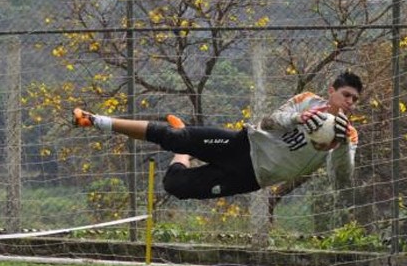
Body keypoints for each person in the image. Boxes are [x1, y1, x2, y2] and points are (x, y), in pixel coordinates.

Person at [73, 71, 363, 200]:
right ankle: (95, 120)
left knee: (176, 186)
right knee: (174, 135)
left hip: (250, 177)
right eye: (346, 95)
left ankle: (184, 154)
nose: (349, 102)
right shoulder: (307, 100)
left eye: (354, 99)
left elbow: (341, 179)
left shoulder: (348, 134)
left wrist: (337, 146)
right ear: (332, 91)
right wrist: (296, 118)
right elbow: (268, 121)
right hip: (242, 145)